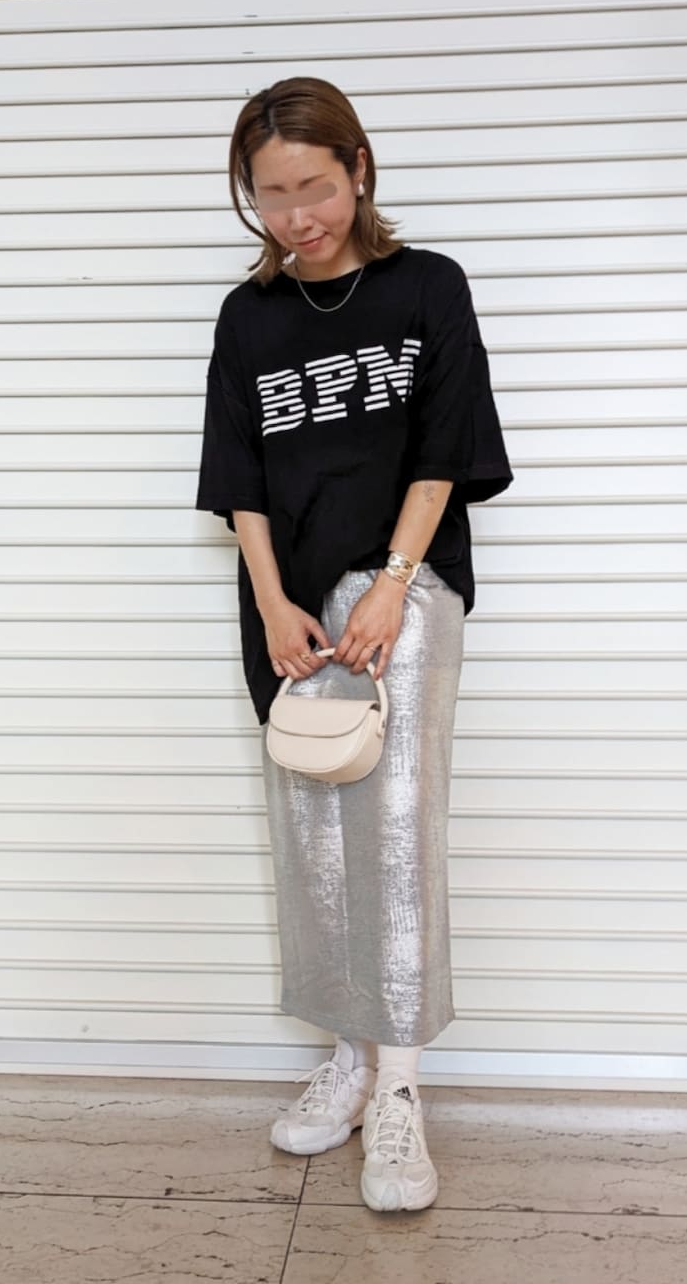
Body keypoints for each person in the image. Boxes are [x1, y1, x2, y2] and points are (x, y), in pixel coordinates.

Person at [195, 76, 512, 1212]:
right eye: (272, 196)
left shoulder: (427, 287)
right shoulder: (248, 317)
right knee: (313, 835)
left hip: (401, 587)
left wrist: (391, 584)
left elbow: (444, 450)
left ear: (359, 170)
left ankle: (402, 1091)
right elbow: (238, 475)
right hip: (290, 605)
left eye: (315, 188)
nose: (298, 217)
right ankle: (349, 1057)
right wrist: (272, 602)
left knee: (396, 834)